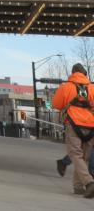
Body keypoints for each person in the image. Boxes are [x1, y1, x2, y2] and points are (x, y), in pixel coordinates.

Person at [53, 63, 94, 197]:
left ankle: (89, 183)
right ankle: (78, 187)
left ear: (72, 73)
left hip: (73, 124)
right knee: (85, 157)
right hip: (91, 125)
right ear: (84, 74)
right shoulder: (92, 88)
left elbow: (56, 105)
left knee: (75, 154)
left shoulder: (66, 87)